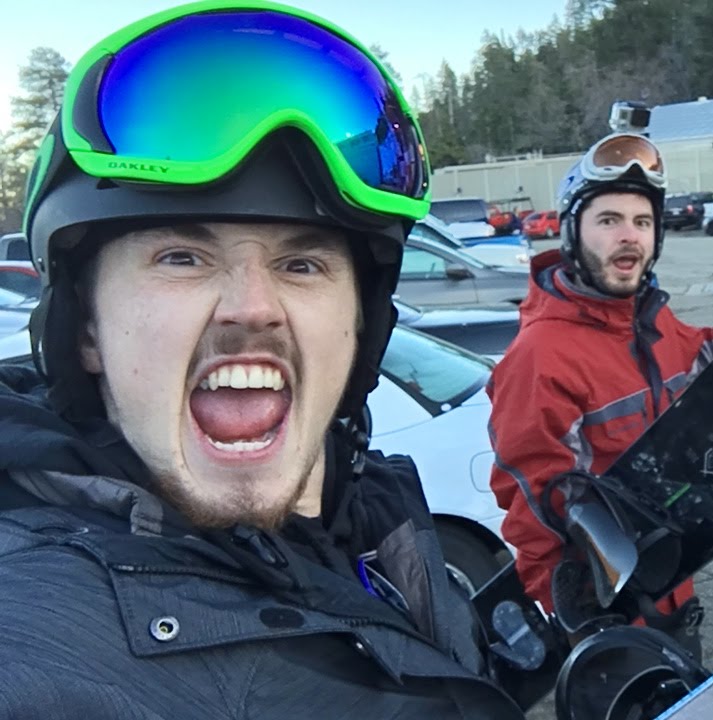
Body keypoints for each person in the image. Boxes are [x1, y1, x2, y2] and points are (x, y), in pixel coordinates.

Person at [0, 3, 525, 717]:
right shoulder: (36, 633)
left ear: (360, 327)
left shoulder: (372, 521)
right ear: (86, 332)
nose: (252, 307)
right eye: (182, 257)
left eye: (302, 264)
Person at [487, 132, 713, 657]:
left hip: (676, 589)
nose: (629, 237)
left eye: (642, 222)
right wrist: (579, 624)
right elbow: (531, 501)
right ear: (573, 233)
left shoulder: (651, 321)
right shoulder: (540, 356)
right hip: (609, 618)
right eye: (609, 221)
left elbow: (704, 366)